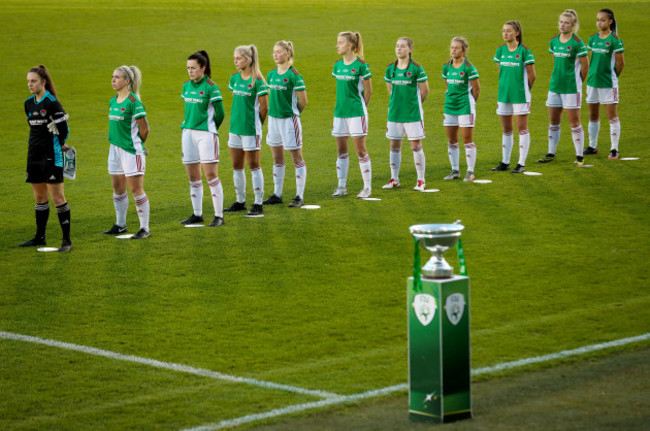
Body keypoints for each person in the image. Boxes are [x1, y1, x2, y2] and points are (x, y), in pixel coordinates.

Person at [20, 65, 72, 252]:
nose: (30, 84)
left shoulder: (52, 103)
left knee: (58, 198)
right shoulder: (28, 103)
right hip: (33, 156)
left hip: (51, 156)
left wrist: (60, 141)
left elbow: (64, 129)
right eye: (28, 81)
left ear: (43, 82)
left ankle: (67, 241)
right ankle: (39, 237)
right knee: (40, 197)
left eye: (33, 81)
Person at [103, 65, 151, 239]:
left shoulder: (133, 102)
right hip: (114, 149)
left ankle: (144, 228)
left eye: (117, 77)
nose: (113, 80)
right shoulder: (113, 101)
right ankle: (120, 224)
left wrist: (138, 144)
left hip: (131, 152)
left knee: (136, 190)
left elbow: (145, 129)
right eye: (112, 77)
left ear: (127, 81)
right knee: (117, 188)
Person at [179, 50, 226, 227]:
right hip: (188, 134)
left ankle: (219, 216)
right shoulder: (186, 86)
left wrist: (211, 129)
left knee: (211, 175)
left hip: (206, 135)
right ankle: (197, 214)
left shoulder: (211, 87)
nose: (190, 71)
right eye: (188, 68)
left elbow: (220, 114)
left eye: (193, 68)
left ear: (203, 68)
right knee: (193, 176)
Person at [539, 9, 589, 166]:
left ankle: (580, 157)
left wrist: (577, 82)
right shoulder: (553, 41)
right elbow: (556, 62)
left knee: (574, 122)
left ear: (573, 25)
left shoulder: (577, 43)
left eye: (566, 23)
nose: (562, 25)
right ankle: (550, 153)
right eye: (561, 22)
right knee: (553, 121)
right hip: (555, 87)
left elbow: (585, 66)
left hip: (571, 89)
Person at [263, 40, 308, 208]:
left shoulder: (294, 75)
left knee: (296, 158)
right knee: (277, 158)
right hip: (273, 120)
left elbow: (303, 101)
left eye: (279, 52)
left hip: (289, 121)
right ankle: (277, 194)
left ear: (288, 54)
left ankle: (299, 195)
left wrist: (293, 115)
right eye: (274, 52)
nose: (275, 55)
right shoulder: (271, 74)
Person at [225, 45, 268, 217]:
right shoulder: (234, 78)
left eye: (239, 58)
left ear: (249, 60)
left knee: (253, 165)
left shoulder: (258, 81)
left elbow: (264, 109)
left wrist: (257, 126)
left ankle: (258, 203)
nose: (235, 61)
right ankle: (240, 201)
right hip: (234, 128)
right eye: (234, 58)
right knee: (236, 166)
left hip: (251, 130)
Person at [382, 37, 429, 191]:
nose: (399, 49)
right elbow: (390, 88)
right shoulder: (390, 68)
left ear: (410, 49)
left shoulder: (416, 68)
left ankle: (421, 180)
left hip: (412, 114)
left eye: (402, 46)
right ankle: (394, 179)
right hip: (395, 114)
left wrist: (413, 104)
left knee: (416, 146)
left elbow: (425, 90)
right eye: (397, 46)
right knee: (394, 145)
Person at [331, 31, 373, 198]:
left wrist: (360, 108)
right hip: (340, 113)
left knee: (360, 151)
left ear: (350, 45)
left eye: (340, 42)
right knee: (341, 151)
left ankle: (367, 188)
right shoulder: (337, 65)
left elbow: (368, 92)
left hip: (356, 114)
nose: (337, 45)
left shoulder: (362, 65)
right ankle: (341, 187)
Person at [492, 21, 536, 174]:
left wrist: (524, 90)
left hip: (520, 96)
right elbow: (501, 72)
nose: (505, 34)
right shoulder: (500, 51)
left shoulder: (524, 51)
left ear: (517, 33)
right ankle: (505, 162)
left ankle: (521, 163)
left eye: (509, 31)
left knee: (522, 129)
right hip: (504, 96)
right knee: (506, 130)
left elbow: (532, 75)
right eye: (503, 31)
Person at [585, 8, 625, 159]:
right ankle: (592, 145)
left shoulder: (615, 40)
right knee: (593, 115)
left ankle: (614, 148)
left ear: (610, 21)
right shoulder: (592, 39)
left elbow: (621, 63)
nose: (599, 22)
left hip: (608, 84)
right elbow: (591, 61)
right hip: (592, 82)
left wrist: (613, 77)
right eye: (597, 20)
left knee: (611, 116)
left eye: (602, 20)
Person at [442, 37, 480, 182]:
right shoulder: (446, 66)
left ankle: (470, 171)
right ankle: (455, 170)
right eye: (452, 47)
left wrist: (470, 103)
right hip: (450, 105)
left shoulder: (469, 67)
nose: (453, 50)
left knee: (467, 140)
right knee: (452, 140)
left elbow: (476, 89)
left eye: (456, 48)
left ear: (463, 50)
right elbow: (447, 84)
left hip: (465, 106)